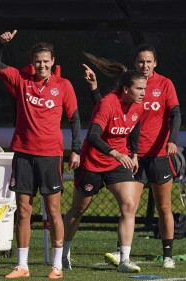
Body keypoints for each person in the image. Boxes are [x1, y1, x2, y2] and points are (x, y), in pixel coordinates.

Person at [0, 30, 82, 279]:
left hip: (50, 155)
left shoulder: (64, 85)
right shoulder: (22, 80)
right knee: (23, 211)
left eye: (46, 61)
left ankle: (57, 266)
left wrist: (76, 149)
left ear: (53, 61)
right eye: (38, 61)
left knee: (53, 212)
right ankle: (22, 265)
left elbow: (74, 117)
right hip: (23, 153)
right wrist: (1, 44)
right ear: (33, 62)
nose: (42, 65)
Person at [83, 44, 181, 269]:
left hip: (158, 155)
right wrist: (94, 88)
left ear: (155, 63)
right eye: (140, 61)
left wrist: (172, 140)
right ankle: (122, 253)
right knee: (129, 207)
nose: (144, 65)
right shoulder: (127, 85)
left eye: (149, 61)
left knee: (164, 207)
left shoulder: (165, 84)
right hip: (132, 156)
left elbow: (175, 113)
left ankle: (168, 255)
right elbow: (105, 108)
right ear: (135, 63)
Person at [62, 53, 146, 273]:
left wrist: (134, 154)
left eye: (144, 89)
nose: (143, 93)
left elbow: (134, 126)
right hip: (93, 162)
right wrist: (117, 154)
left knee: (129, 205)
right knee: (78, 209)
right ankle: (62, 253)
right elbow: (93, 136)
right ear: (126, 89)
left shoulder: (138, 106)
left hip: (117, 163)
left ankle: (124, 260)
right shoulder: (108, 103)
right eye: (139, 89)